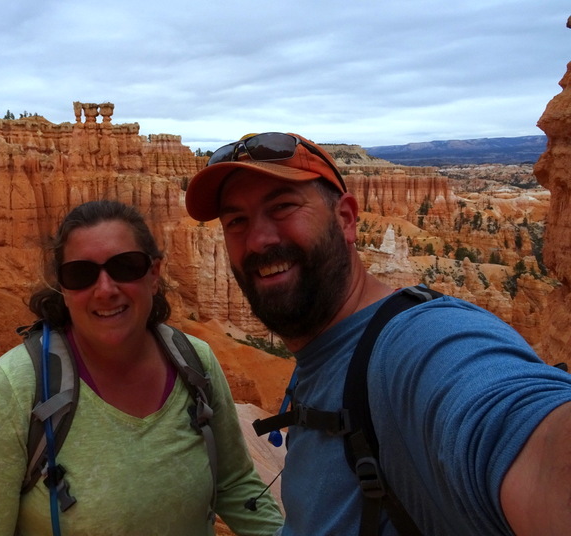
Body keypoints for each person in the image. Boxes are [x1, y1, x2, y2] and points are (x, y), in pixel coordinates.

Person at [184, 131, 571, 535]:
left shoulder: (421, 344)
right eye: (236, 221)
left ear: (346, 219)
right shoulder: (319, 356)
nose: (259, 239)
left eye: (283, 207)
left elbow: (522, 431)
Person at [0, 200, 283, 536]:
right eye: (81, 274)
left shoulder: (195, 363)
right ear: (63, 287)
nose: (105, 289)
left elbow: (234, 483)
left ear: (154, 274)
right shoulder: (13, 390)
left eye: (125, 267)